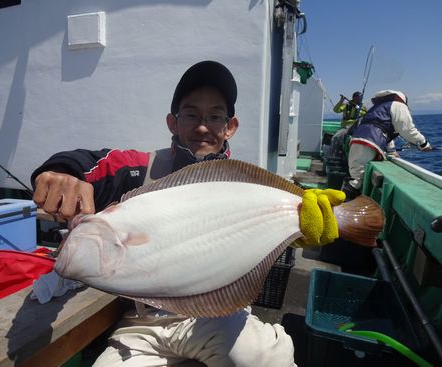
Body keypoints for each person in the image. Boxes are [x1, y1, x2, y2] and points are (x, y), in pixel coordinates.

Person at [31, 61, 297, 367]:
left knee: (265, 359)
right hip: (143, 325)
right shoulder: (138, 168)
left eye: (214, 116)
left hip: (219, 316)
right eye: (191, 114)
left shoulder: (244, 189)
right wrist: (59, 173)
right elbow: (85, 162)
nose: (202, 126)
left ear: (230, 126)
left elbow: (276, 226)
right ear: (173, 122)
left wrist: (300, 227)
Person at [342, 90, 432, 198]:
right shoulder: (398, 105)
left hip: (357, 139)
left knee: (355, 176)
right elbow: (407, 129)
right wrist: (423, 144)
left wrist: (392, 151)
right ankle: (345, 206)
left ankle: (342, 202)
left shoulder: (378, 107)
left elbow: (383, 129)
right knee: (357, 180)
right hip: (370, 141)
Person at [329, 92, 367, 163]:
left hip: (358, 127)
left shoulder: (363, 108)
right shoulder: (346, 105)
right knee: (335, 138)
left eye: (361, 99)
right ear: (354, 98)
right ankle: (334, 157)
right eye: (358, 98)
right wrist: (341, 101)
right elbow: (336, 110)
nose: (360, 100)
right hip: (346, 127)